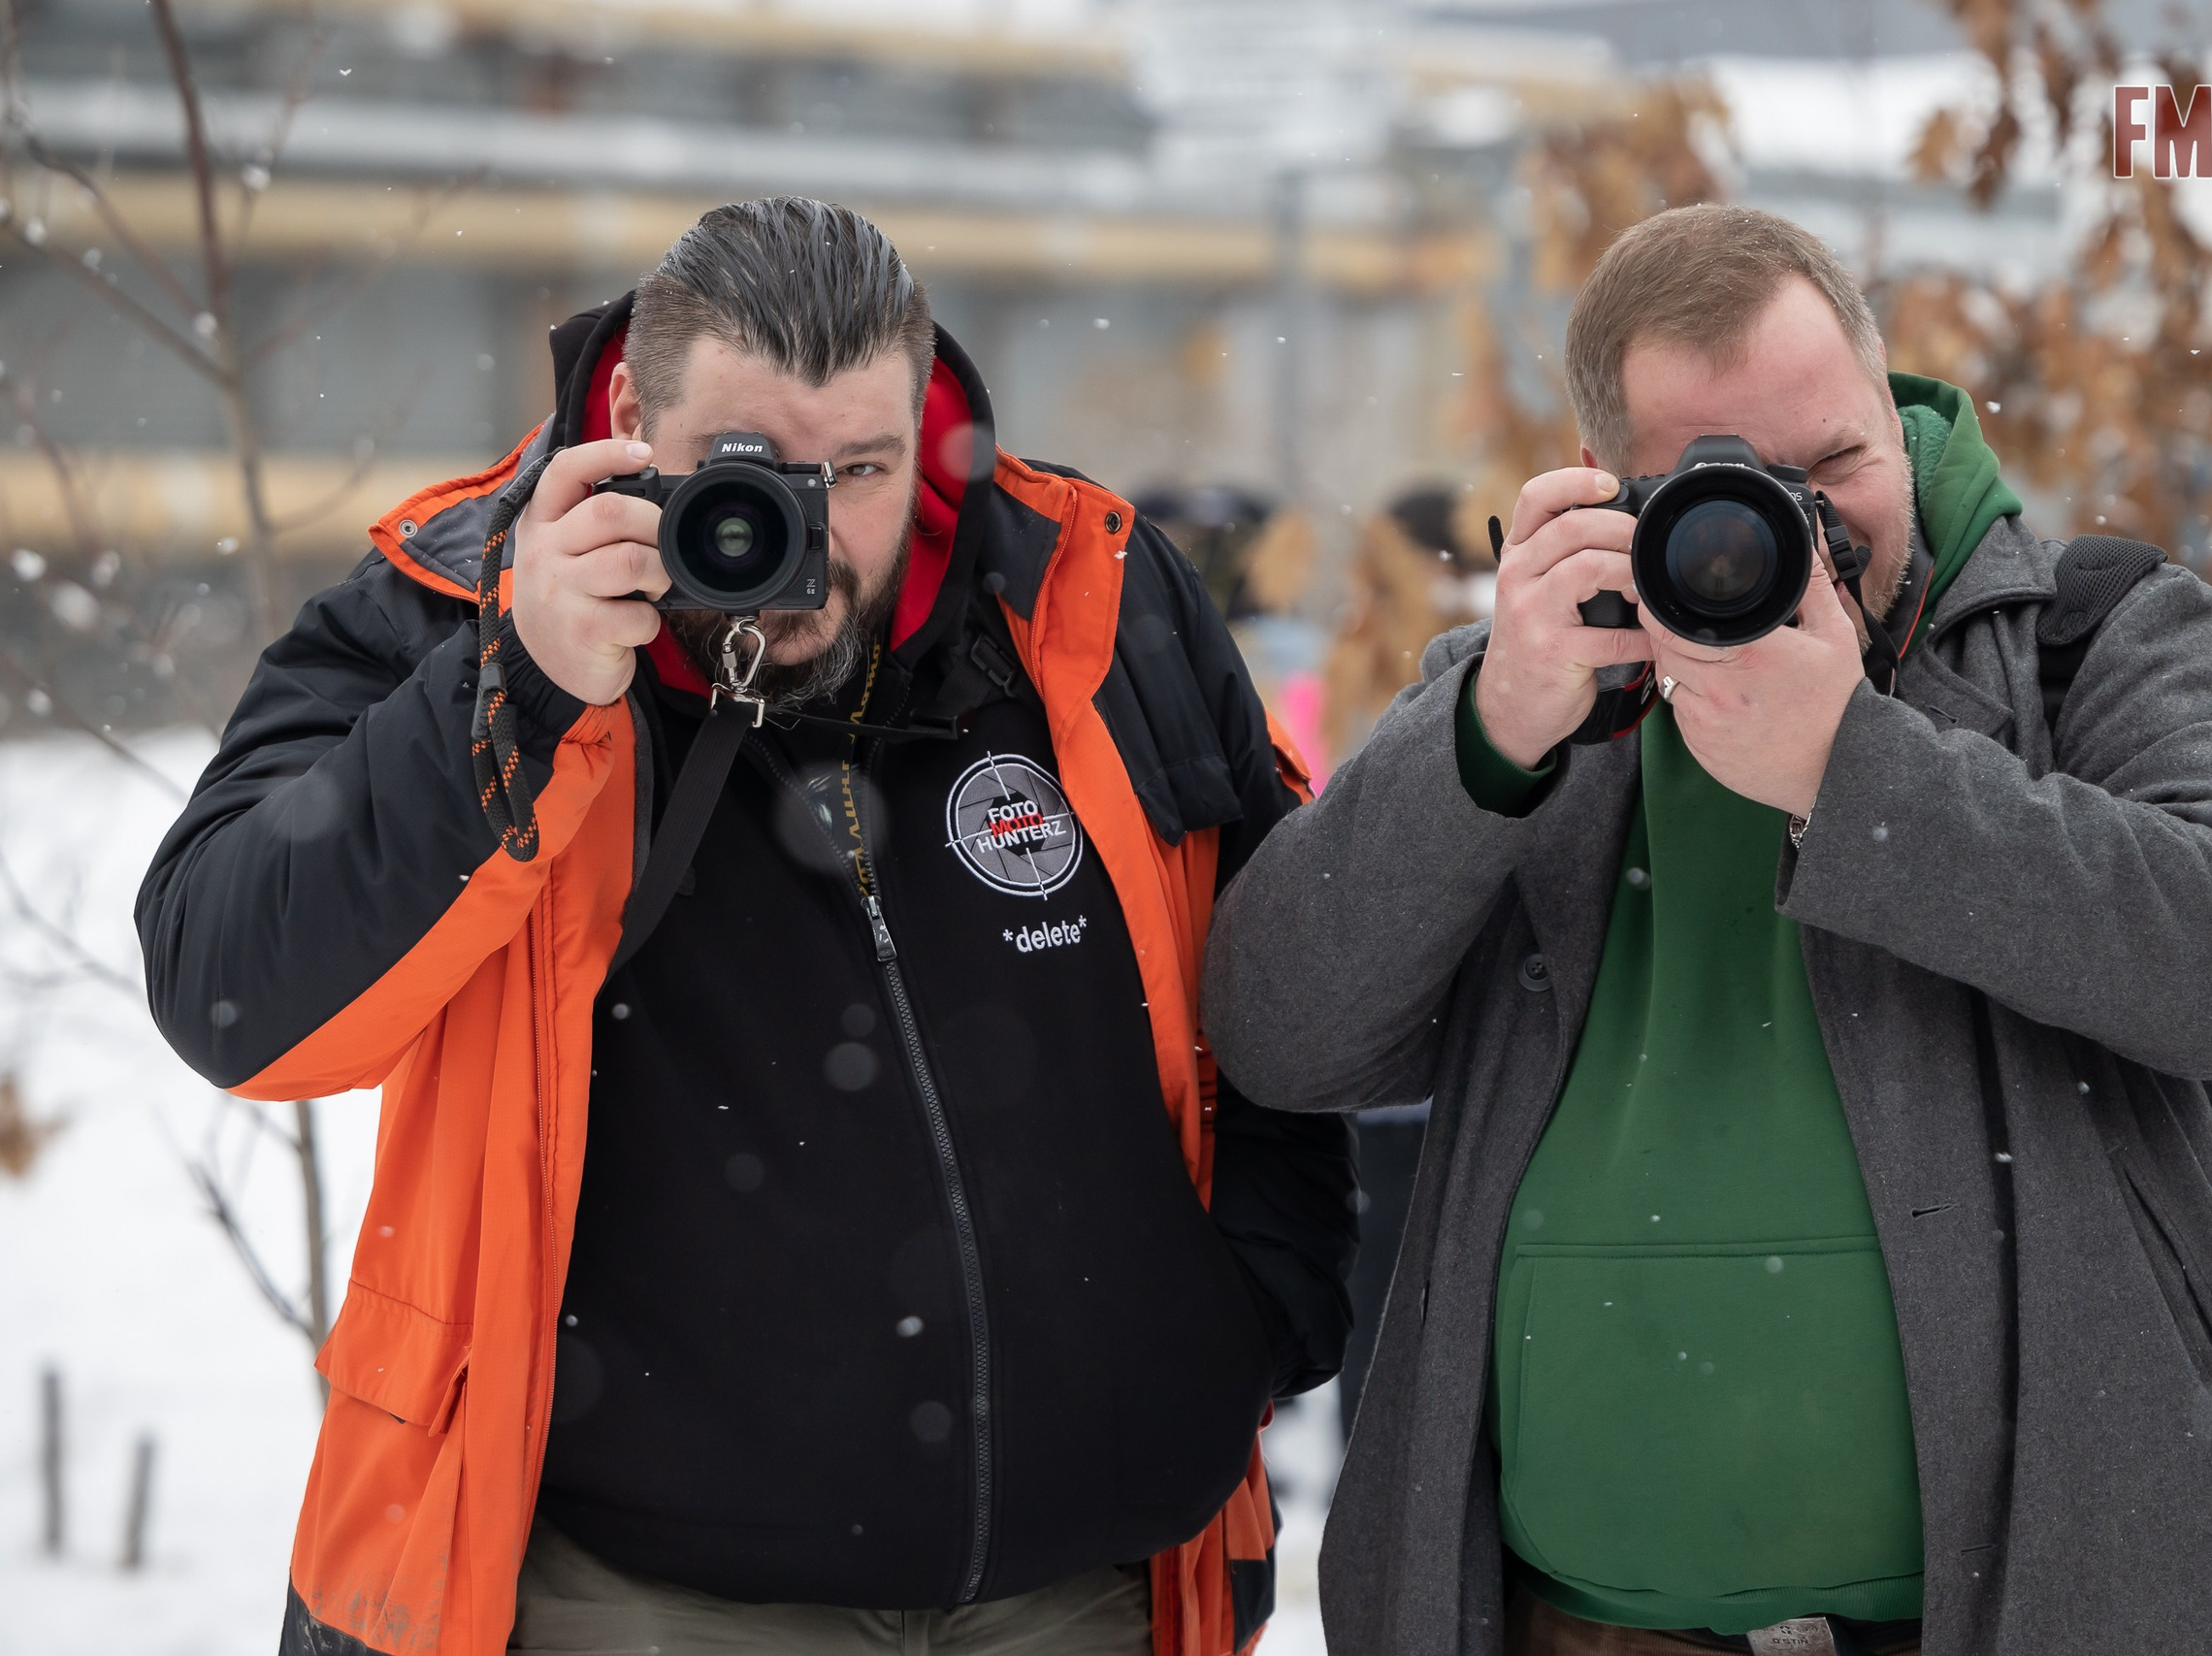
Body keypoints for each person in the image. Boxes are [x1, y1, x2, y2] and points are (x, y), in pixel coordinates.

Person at [139, 197, 1353, 1656]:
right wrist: (517, 686)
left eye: (860, 467)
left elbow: (1274, 981)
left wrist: (1239, 1328)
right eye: (748, 469)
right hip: (646, 1598)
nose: (809, 530)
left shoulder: (1088, 590)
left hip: (1084, 1586)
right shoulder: (454, 599)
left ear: (931, 424)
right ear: (633, 415)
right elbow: (226, 993)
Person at [1199, 203, 2212, 1656]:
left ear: (1897, 415)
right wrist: (1483, 740)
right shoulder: (1542, 690)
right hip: (1587, 1629)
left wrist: (1858, 774)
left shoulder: (2097, 637)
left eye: (1835, 461)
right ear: (1605, 493)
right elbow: (1277, 1033)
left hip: (2058, 1609)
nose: (1802, 523)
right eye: (1723, 486)